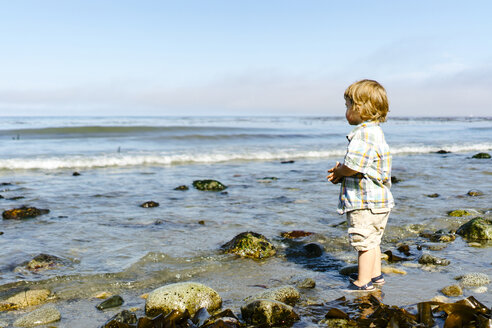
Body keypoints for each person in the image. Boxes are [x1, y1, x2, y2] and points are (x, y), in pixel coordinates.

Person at [327, 79, 394, 291]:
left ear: (360, 108)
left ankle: (362, 282)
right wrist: (345, 170)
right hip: (380, 201)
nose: (346, 111)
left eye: (347, 106)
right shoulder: (376, 132)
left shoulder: (362, 134)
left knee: (363, 242)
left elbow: (355, 166)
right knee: (373, 240)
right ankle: (376, 276)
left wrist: (340, 171)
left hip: (365, 202)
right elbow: (363, 165)